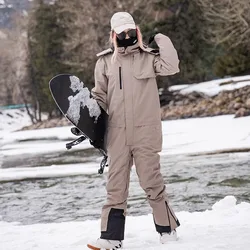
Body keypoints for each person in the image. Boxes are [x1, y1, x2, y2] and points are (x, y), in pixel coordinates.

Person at [87, 11, 180, 250]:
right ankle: (111, 236)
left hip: (146, 132)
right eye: (122, 33)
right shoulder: (105, 62)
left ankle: (167, 229)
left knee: (151, 181)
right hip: (117, 134)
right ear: (113, 35)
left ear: (136, 31)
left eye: (130, 31)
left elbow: (172, 65)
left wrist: (160, 38)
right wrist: (89, 120)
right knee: (116, 185)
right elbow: (99, 95)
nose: (127, 36)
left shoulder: (149, 58)